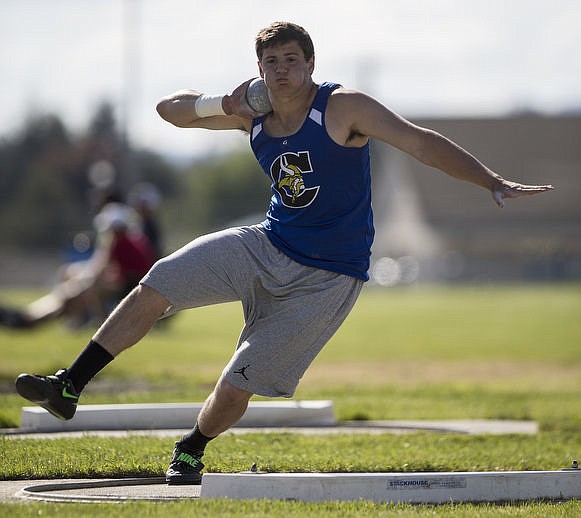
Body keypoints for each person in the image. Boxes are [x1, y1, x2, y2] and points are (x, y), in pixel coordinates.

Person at [14, 21, 553, 484]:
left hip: (328, 276)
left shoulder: (343, 107)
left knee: (238, 382)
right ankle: (69, 384)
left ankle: (191, 448)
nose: (282, 71)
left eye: (292, 60)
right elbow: (168, 111)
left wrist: (489, 180)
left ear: (311, 64)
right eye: (271, 62)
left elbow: (420, 142)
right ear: (259, 70)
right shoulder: (253, 112)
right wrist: (220, 103)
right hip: (266, 245)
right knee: (160, 280)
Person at [0, 198, 156, 330]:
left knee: (84, 289)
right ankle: (34, 316)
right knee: (78, 287)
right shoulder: (128, 239)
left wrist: (79, 282)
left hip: (134, 286)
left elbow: (101, 269)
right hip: (135, 283)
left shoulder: (119, 241)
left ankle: (34, 318)